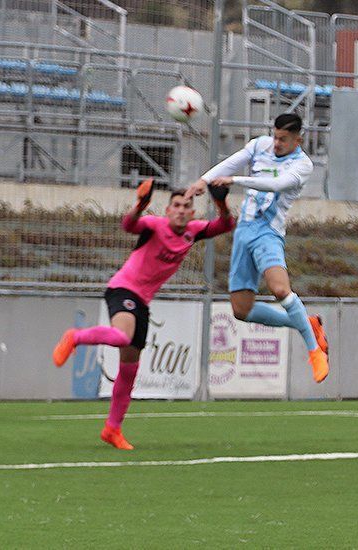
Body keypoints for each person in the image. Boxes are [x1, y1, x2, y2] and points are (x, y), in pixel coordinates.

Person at [53, 179, 235, 450]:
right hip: (123, 289)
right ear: (167, 210)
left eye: (187, 206)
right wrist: (139, 206)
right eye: (176, 205)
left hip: (143, 301)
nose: (182, 210)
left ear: (193, 213)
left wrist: (221, 204)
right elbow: (129, 225)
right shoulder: (155, 225)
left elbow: (225, 225)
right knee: (121, 337)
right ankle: (76, 337)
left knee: (129, 369)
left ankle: (112, 429)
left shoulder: (192, 232)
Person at [185, 112, 329, 384]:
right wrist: (202, 181)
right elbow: (230, 163)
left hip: (268, 233)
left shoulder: (302, 165)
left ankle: (314, 350)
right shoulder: (259, 145)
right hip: (244, 232)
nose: (276, 144)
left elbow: (276, 185)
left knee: (280, 289)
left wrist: (236, 181)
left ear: (298, 139)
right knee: (241, 310)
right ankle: (306, 323)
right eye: (275, 136)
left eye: (283, 139)